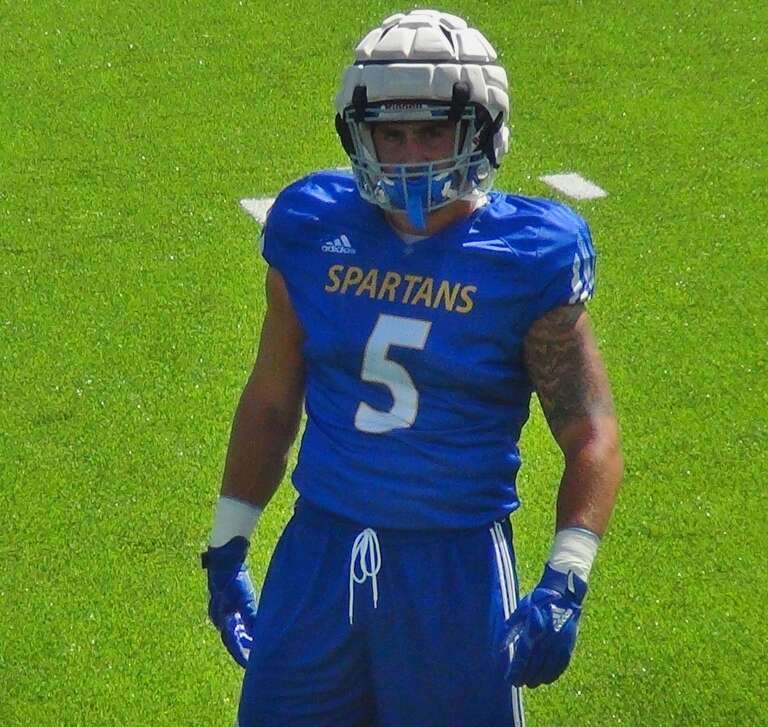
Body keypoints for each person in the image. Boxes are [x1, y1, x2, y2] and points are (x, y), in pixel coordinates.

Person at [202, 9, 623, 726]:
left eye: (433, 131)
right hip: (319, 551)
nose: (410, 156)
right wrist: (226, 544)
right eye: (389, 135)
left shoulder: (528, 255)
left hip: (452, 568)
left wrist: (566, 578)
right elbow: (272, 404)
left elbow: (591, 433)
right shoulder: (312, 227)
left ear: (482, 129)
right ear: (356, 136)